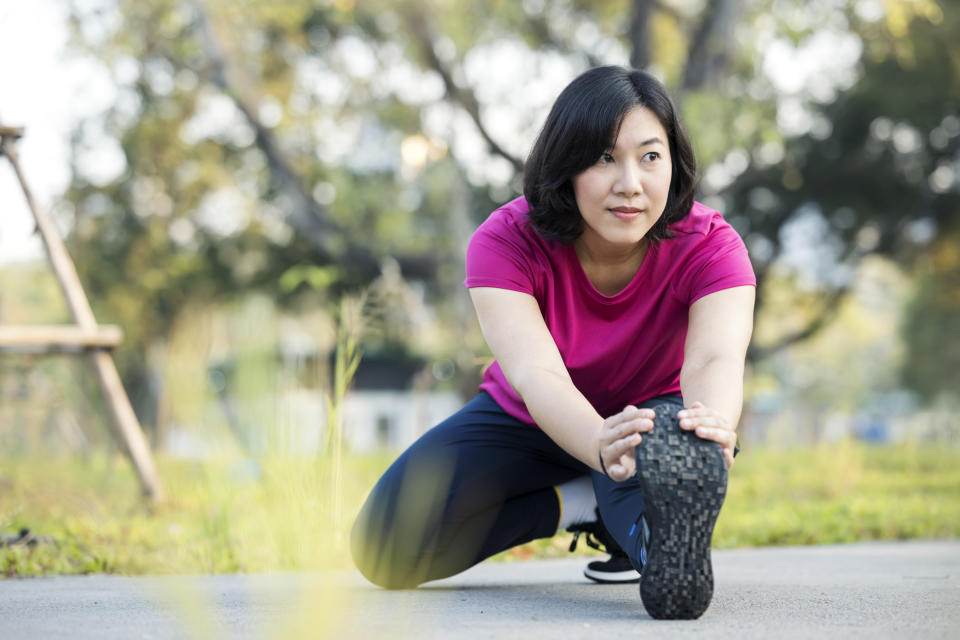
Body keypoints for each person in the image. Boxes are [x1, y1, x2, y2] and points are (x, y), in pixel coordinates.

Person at [350, 65, 756, 620]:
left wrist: (709, 425)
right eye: (603, 157)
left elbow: (716, 356)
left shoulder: (712, 244)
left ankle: (643, 537)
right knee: (382, 547)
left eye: (650, 156)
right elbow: (535, 373)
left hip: (649, 422)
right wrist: (596, 447)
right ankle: (585, 503)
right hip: (529, 417)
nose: (630, 183)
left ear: (675, 163)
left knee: (660, 533)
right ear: (565, 164)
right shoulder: (505, 241)